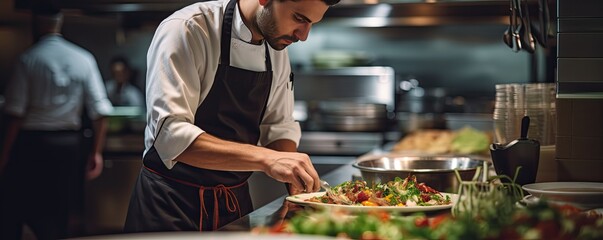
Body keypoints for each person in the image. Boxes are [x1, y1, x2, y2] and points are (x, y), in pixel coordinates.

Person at [124, 0, 340, 232]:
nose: (304, 35)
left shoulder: (275, 47)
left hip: (234, 207)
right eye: (299, 18)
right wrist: (268, 159)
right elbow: (171, 137)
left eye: (312, 24)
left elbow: (278, 126)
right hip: (169, 206)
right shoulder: (188, 29)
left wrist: (298, 179)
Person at [0, 7, 113, 240]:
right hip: (68, 145)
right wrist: (96, 152)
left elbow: (15, 113)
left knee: (25, 208)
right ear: (59, 24)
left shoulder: (29, 58)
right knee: (60, 211)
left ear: (37, 24)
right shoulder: (83, 58)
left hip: (32, 143)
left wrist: (4, 154)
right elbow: (101, 112)